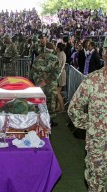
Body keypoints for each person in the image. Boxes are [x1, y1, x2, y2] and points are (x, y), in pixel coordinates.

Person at [68, 38, 107, 192]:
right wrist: (92, 126)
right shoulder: (92, 81)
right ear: (104, 53)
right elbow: (74, 109)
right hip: (98, 150)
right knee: (97, 187)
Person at [30, 42, 60, 126]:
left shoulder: (38, 57)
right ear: (52, 49)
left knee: (40, 101)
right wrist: (47, 81)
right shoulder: (55, 58)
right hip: (51, 84)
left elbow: (32, 72)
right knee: (51, 101)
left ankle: (39, 119)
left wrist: (38, 82)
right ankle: (50, 120)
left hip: (40, 84)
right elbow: (56, 73)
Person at [56, 42, 66, 112]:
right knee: (58, 91)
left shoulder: (60, 54)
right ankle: (58, 108)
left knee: (57, 92)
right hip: (61, 74)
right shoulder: (62, 53)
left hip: (60, 74)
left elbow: (58, 66)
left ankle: (62, 108)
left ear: (58, 48)